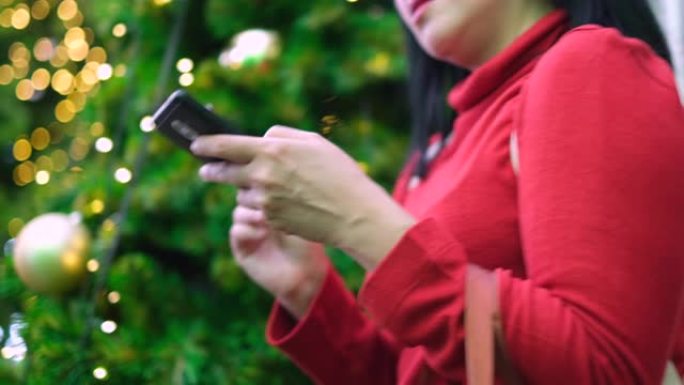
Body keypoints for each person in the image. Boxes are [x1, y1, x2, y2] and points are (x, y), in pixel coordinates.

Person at [189, 0, 684, 383]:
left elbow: (604, 366)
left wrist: (363, 223)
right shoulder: (434, 152)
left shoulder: (590, 65)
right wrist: (308, 289)